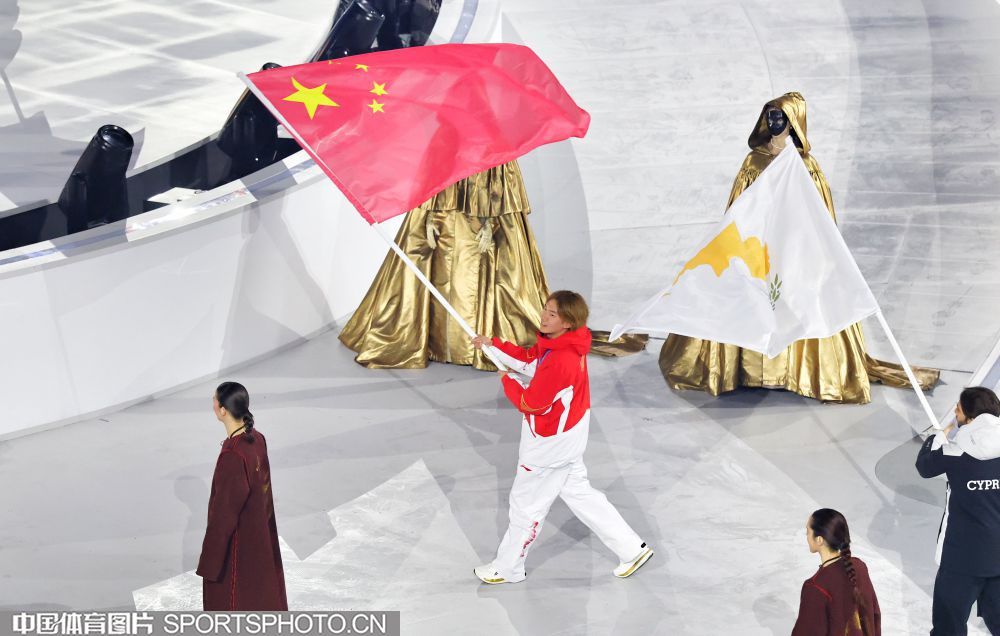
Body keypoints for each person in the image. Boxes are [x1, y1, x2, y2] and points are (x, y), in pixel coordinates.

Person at [658, 92, 938, 403]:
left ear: (793, 123)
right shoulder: (753, 162)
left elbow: (819, 213)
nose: (774, 122)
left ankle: (791, 372)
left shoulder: (805, 165)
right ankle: (747, 371)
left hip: (793, 247)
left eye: (780, 117)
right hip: (756, 245)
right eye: (770, 116)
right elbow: (738, 207)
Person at [471, 290, 652, 584]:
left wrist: (508, 381)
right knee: (581, 494)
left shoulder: (561, 359)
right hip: (568, 437)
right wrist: (493, 346)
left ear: (567, 321)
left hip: (549, 444)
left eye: (552, 314)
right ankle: (632, 549)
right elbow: (531, 361)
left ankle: (508, 568)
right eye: (545, 309)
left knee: (526, 505)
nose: (544, 316)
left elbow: (532, 403)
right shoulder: (561, 343)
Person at [340, 160, 549, 370]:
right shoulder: (443, 147)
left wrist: (491, 222)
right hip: (445, 208)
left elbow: (497, 184)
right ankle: (437, 342)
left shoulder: (497, 154)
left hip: (486, 200)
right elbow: (434, 172)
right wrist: (429, 215)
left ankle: (478, 343)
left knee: (491, 273)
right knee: (433, 268)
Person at [916, 386, 1000, 635]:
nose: (955, 411)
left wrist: (939, 436)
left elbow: (924, 466)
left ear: (970, 416)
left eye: (958, 408)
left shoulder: (954, 452)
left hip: (960, 558)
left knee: (948, 626)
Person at [197, 382, 287, 610]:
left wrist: (209, 562)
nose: (213, 404)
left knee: (232, 603)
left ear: (223, 410)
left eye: (214, 400)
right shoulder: (257, 439)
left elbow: (223, 515)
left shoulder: (233, 455)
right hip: (260, 538)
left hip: (239, 548)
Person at [791, 508, 880, 636]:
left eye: (808, 532)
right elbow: (874, 615)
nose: (807, 537)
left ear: (819, 540)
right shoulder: (859, 567)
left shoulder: (815, 587)